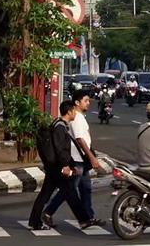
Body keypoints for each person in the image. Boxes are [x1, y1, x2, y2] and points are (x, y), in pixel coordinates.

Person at [28, 100, 99, 231]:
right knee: (57, 194)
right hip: (57, 168)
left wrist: (70, 164)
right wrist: (66, 166)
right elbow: (60, 149)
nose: (75, 114)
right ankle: (37, 221)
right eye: (74, 111)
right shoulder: (60, 127)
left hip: (55, 167)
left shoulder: (59, 124)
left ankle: (83, 220)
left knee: (68, 193)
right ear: (69, 112)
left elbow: (64, 150)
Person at [42, 91, 105, 228]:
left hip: (82, 159)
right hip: (77, 159)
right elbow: (79, 139)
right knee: (69, 190)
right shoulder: (76, 118)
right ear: (77, 102)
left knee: (85, 189)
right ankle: (48, 212)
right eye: (86, 100)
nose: (88, 103)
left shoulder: (80, 117)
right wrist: (92, 157)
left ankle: (88, 217)